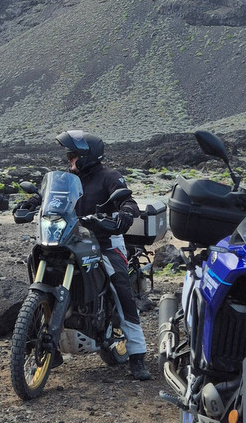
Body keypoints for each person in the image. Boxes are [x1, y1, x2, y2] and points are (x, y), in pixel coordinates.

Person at [18, 129, 151, 380]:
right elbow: (47, 196)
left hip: (105, 242)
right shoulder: (68, 178)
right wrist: (32, 202)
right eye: (69, 156)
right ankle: (44, 341)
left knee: (119, 284)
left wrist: (125, 214)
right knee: (36, 266)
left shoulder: (109, 177)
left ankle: (137, 355)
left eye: (73, 155)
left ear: (87, 156)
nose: (69, 160)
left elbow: (129, 202)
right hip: (70, 239)